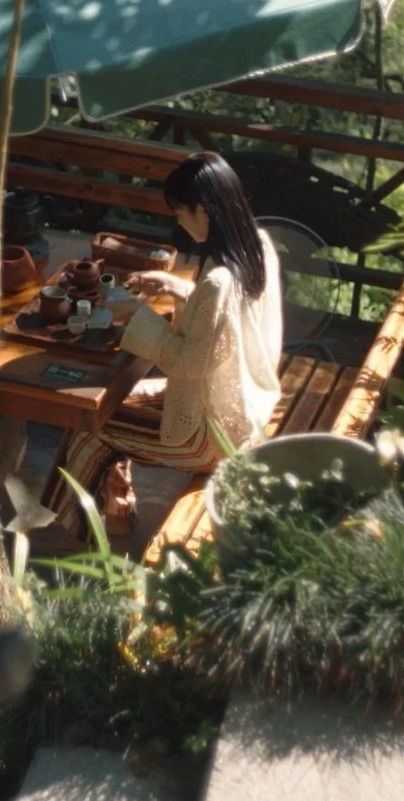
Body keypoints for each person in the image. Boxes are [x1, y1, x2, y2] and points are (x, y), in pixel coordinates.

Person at [55, 152, 284, 532]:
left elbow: (187, 363)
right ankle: (117, 517)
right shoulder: (256, 245)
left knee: (86, 427)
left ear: (203, 210)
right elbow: (228, 321)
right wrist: (175, 286)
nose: (178, 221)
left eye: (180, 212)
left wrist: (136, 314)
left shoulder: (218, 282)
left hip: (212, 437)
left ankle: (78, 538)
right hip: (244, 406)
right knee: (104, 400)